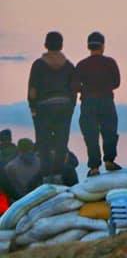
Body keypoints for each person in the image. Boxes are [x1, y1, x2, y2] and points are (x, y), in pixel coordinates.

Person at [28, 31, 76, 183]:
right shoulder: (69, 66)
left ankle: (46, 177)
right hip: (64, 106)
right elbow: (74, 89)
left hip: (43, 107)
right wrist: (71, 107)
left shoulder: (38, 65)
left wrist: (33, 107)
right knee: (62, 142)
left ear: (45, 45)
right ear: (61, 45)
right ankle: (58, 175)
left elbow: (32, 90)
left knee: (44, 143)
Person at [72, 31, 121, 177]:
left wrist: (85, 89)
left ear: (88, 46)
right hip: (106, 100)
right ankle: (109, 161)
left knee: (91, 135)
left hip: (88, 102)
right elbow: (117, 83)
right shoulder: (110, 62)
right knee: (110, 131)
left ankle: (94, 167)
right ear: (103, 46)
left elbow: (74, 86)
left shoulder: (81, 65)